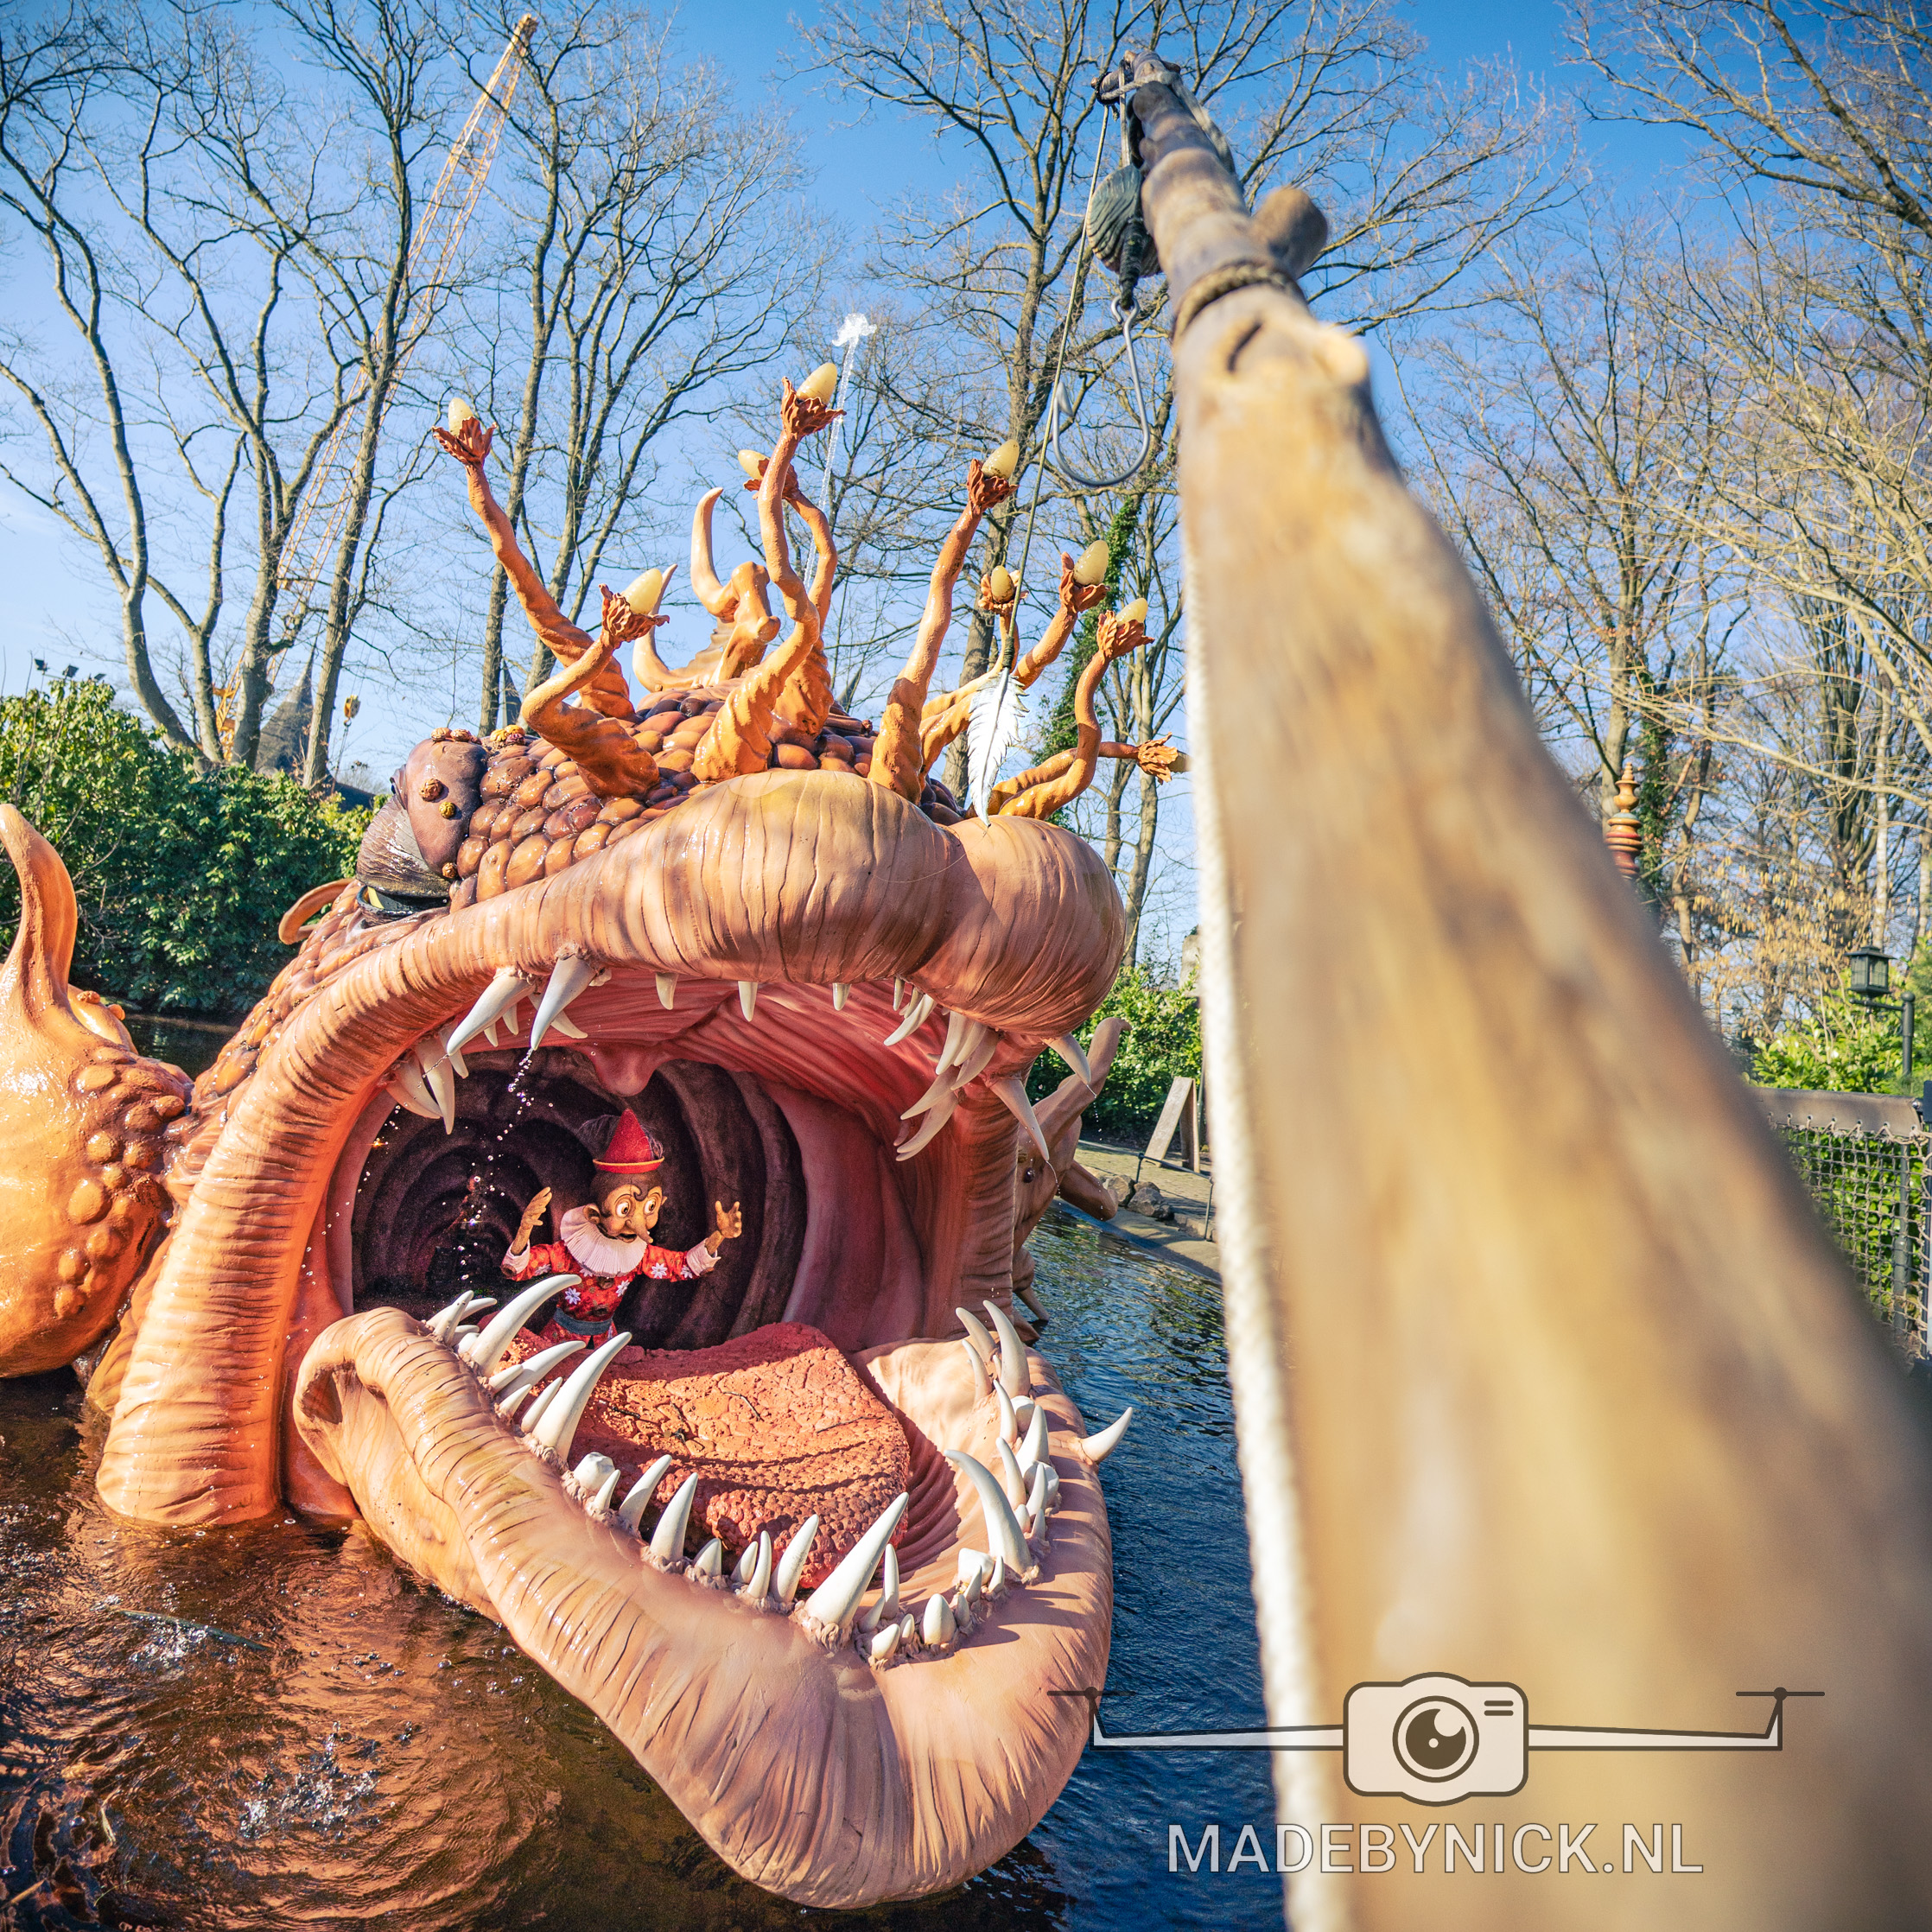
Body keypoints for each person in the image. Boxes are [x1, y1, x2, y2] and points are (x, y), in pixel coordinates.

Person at [503, 1109, 742, 1347]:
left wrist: (719, 1235)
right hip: (560, 1341)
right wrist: (524, 1231)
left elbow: (683, 1266)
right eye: (624, 1209)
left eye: (650, 1207)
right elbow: (519, 1270)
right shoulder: (570, 1253)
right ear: (594, 1215)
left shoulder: (638, 1256)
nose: (637, 1223)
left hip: (605, 1343)